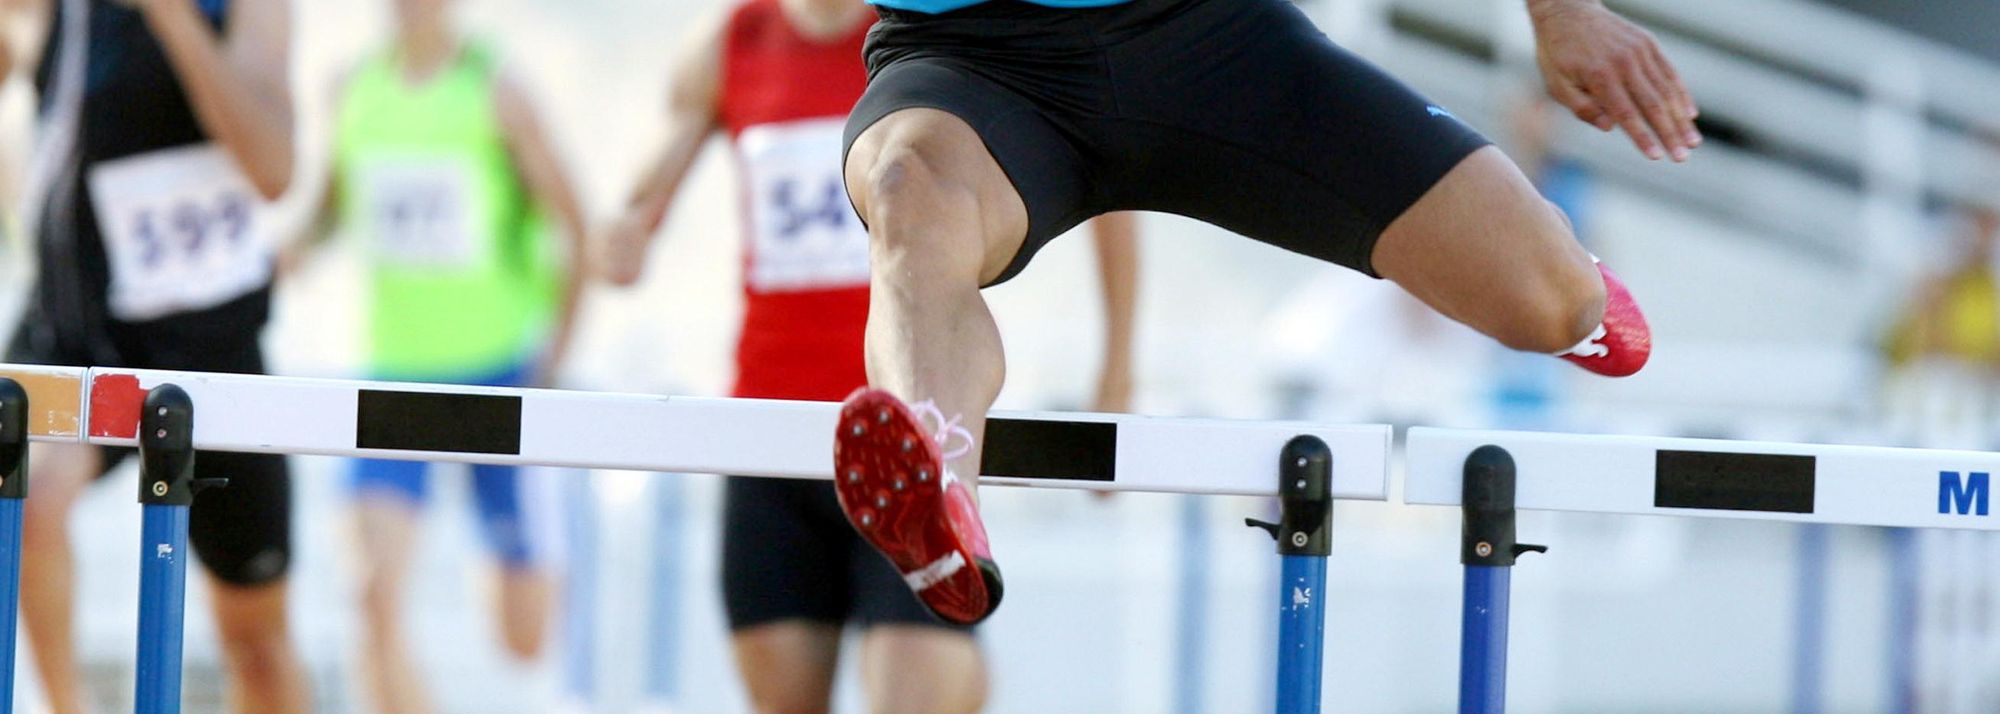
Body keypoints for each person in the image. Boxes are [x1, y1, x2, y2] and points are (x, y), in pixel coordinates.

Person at [831, 0, 1694, 625]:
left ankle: (1564, 290)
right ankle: (935, 487)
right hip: (967, 67)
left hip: (1210, 36)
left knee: (1554, 303)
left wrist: (1564, 11)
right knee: (911, 190)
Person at [598, 0, 1136, 708]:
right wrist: (627, 229)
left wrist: (1115, 370)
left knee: (910, 691)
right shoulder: (734, 39)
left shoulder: (933, 32)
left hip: (908, 439)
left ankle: (964, 678)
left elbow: (1105, 178)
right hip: (773, 435)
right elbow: (646, 190)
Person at [1, 0, 307, 711]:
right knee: (31, 502)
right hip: (81, 331)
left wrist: (173, 18)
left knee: (257, 642)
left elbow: (273, 168)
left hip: (208, 348)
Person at [294, 0, 588, 710]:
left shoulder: (498, 91)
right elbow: (333, 203)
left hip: (498, 375)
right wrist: (287, 249)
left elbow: (574, 225)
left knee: (524, 638)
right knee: (370, 598)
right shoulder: (351, 87)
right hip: (395, 378)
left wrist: (552, 360)